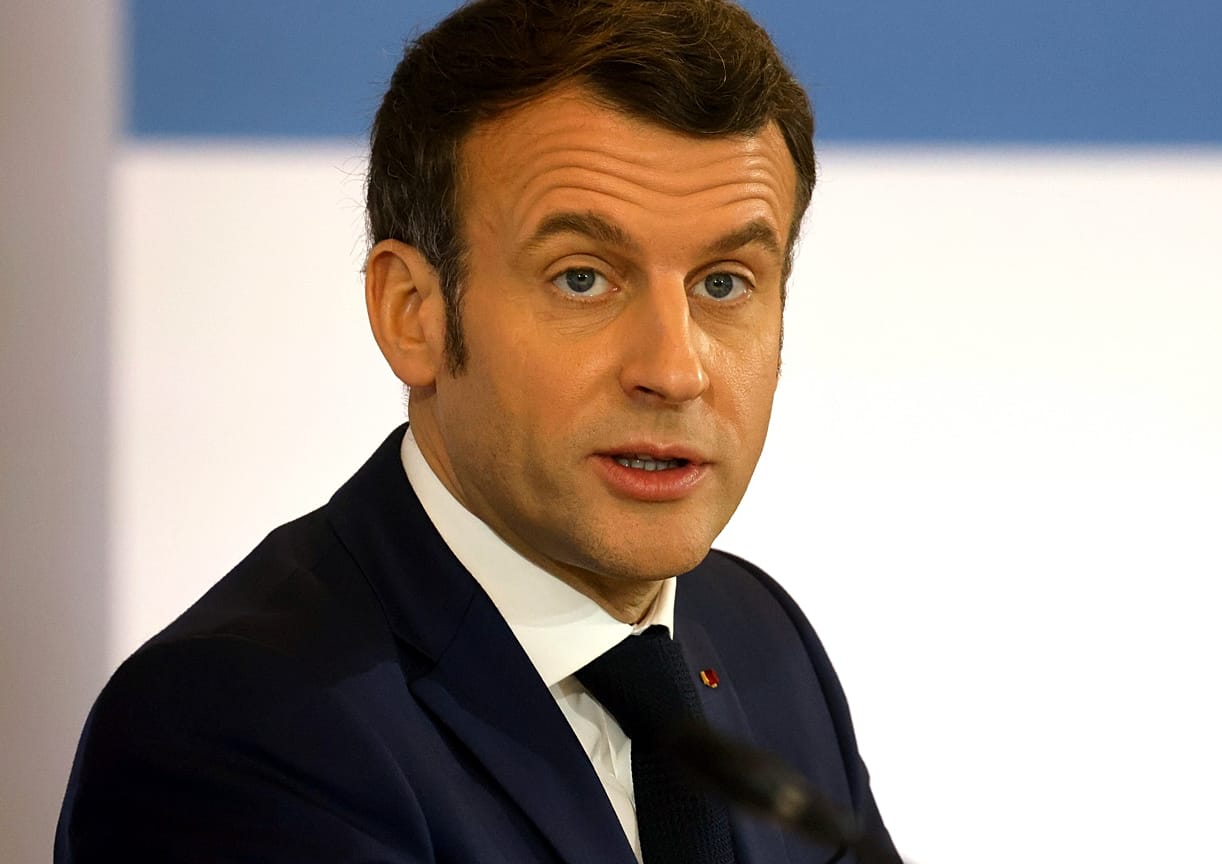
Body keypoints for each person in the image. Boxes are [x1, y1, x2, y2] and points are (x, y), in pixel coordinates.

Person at [55, 1, 898, 862]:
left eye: (724, 284)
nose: (675, 371)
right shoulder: (237, 731)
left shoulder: (760, 637)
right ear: (412, 314)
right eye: (582, 278)